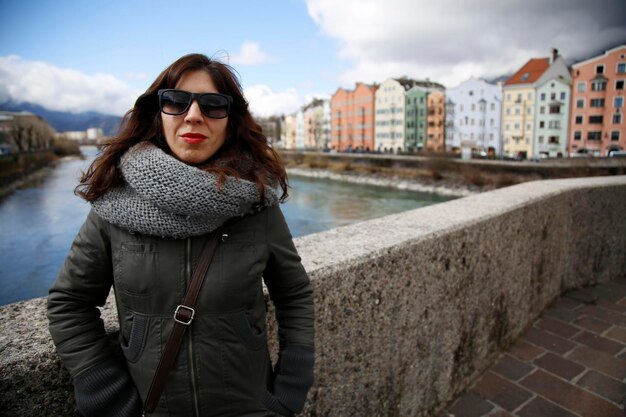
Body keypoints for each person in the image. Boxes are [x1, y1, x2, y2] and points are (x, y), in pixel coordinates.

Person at [47, 53, 315, 417]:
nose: (193, 115)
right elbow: (70, 303)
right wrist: (106, 393)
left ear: (230, 121)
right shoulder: (116, 205)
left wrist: (289, 390)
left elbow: (294, 293)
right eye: (175, 101)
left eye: (213, 105)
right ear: (158, 114)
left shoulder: (256, 203)